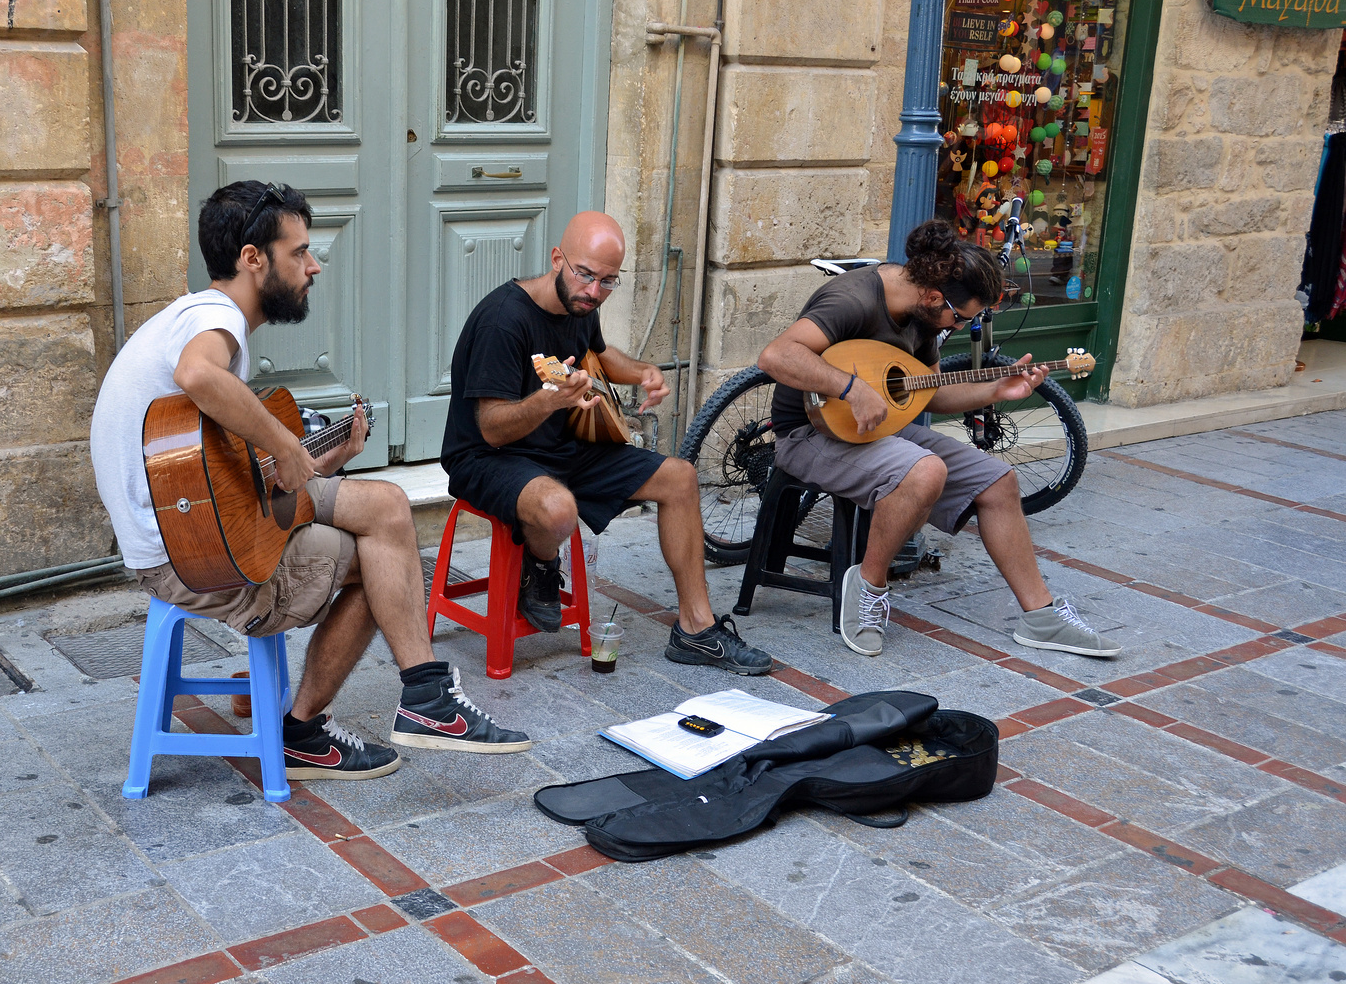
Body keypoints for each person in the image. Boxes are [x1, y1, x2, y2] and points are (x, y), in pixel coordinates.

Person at [90, 181, 531, 781]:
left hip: (198, 520)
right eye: (299, 252)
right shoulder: (215, 321)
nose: (313, 266)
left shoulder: (191, 316)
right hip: (187, 554)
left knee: (388, 506)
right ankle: (307, 730)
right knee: (382, 564)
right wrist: (282, 443)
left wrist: (317, 459)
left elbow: (232, 478)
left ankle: (425, 692)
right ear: (253, 258)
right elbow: (199, 378)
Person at [756, 219, 1119, 660]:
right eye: (961, 317)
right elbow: (777, 354)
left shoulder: (924, 314)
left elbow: (924, 391)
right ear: (933, 296)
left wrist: (995, 390)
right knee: (926, 471)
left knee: (998, 480)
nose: (960, 324)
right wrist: (851, 388)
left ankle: (1040, 616)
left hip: (880, 429)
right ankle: (868, 588)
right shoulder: (851, 299)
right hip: (809, 432)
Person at [441, 211, 773, 676]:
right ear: (557, 259)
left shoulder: (580, 306)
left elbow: (599, 353)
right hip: (488, 456)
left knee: (679, 478)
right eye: (586, 275)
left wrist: (644, 372)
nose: (595, 292)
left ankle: (695, 630)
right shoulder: (504, 320)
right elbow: (491, 427)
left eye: (608, 282)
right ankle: (539, 562)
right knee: (558, 510)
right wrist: (551, 401)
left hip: (560, 446)